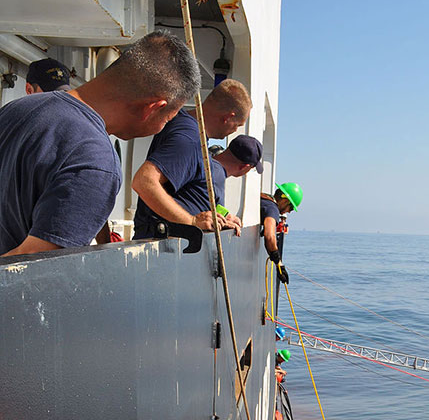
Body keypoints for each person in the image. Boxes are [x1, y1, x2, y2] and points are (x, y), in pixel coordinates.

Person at [0, 30, 200, 257]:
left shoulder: (16, 109)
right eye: (167, 119)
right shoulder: (97, 162)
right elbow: (28, 271)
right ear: (152, 107)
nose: (162, 127)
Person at [131, 79, 252, 239]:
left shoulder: (190, 129)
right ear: (228, 118)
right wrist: (192, 221)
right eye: (237, 125)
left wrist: (222, 215)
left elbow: (188, 193)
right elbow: (144, 181)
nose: (234, 130)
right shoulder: (190, 138)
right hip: (163, 246)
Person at [261, 183, 302, 283]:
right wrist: (279, 264)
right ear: (285, 200)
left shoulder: (262, 199)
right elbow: (270, 236)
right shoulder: (272, 208)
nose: (289, 212)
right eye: (291, 208)